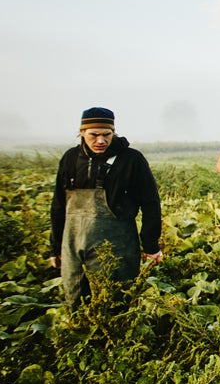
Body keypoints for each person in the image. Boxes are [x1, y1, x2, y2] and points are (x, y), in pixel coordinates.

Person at [49, 107, 163, 310]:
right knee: (76, 300)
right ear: (82, 132)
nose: (100, 141)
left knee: (117, 302)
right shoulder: (70, 158)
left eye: (106, 134)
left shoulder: (131, 160)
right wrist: (55, 248)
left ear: (113, 132)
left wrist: (151, 246)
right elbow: (58, 205)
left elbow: (150, 203)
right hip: (73, 244)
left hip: (118, 246)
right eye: (94, 135)